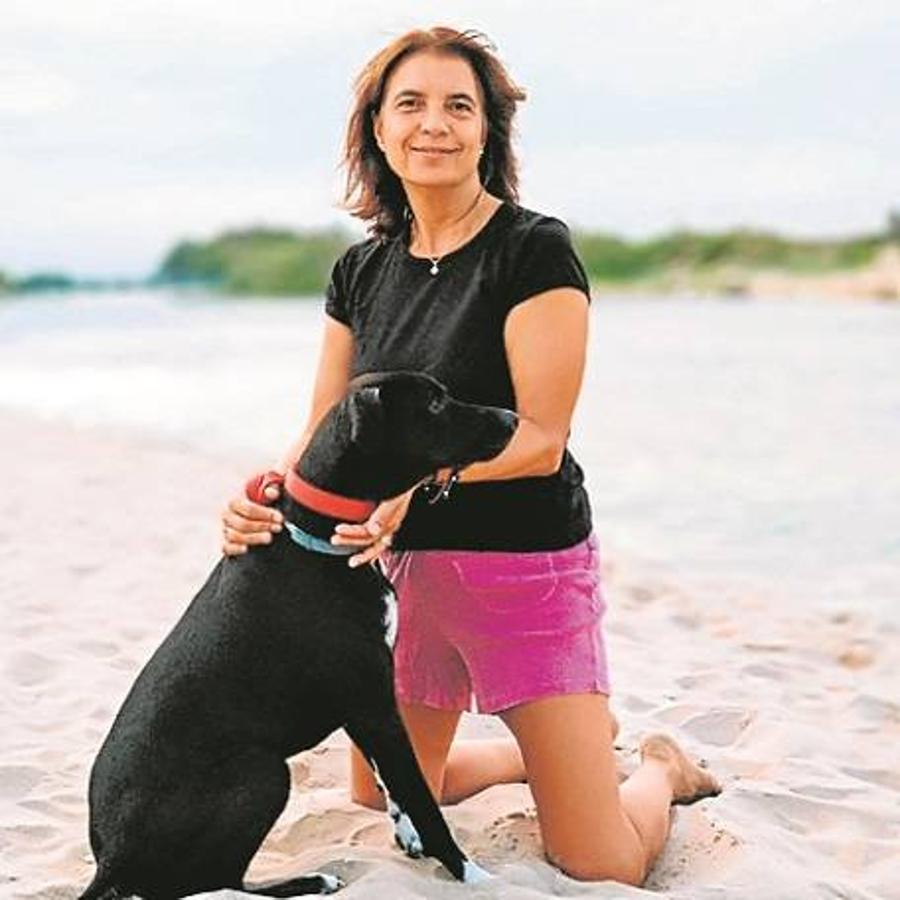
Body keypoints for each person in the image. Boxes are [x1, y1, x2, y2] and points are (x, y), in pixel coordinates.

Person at [220, 26, 719, 886]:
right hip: (403, 579)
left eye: (461, 106)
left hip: (524, 572)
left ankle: (657, 774)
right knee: (383, 798)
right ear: (377, 128)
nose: (435, 125)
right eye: (410, 104)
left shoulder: (533, 250)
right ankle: (547, 760)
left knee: (602, 863)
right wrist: (266, 494)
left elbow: (539, 440)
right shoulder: (361, 270)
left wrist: (418, 488)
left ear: (489, 130)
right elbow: (322, 428)